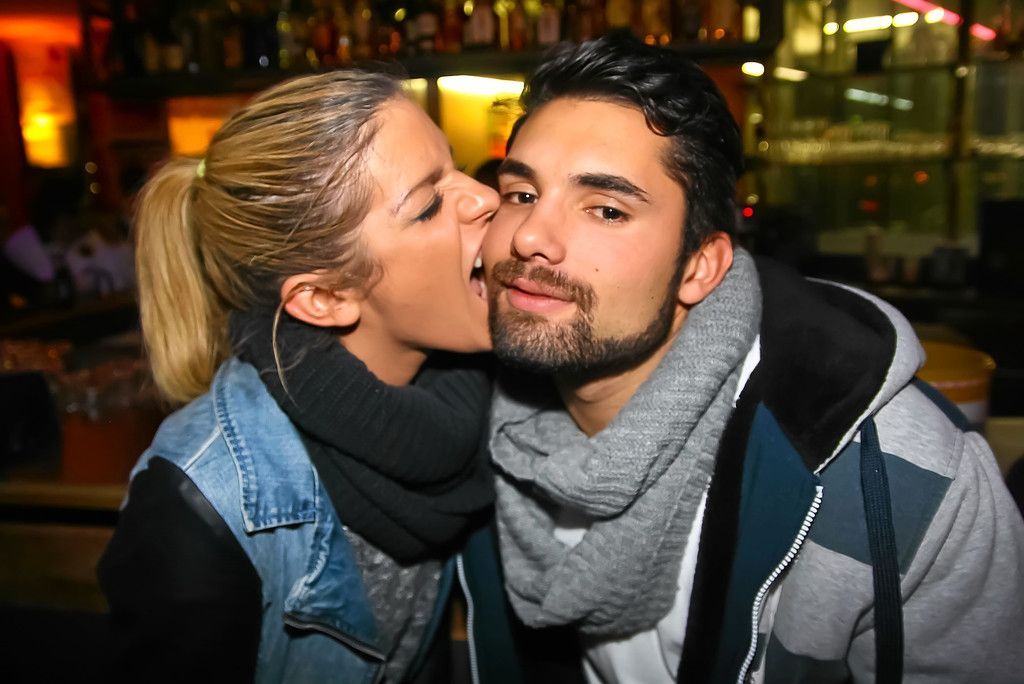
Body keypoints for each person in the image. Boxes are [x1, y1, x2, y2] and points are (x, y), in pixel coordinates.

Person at [481, 34, 1024, 683]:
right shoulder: (475, 419)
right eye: (521, 194)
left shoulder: (897, 479)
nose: (530, 236)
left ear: (699, 266)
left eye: (605, 209)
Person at [97, 70, 523, 682]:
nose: (485, 196)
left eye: (453, 165)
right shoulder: (200, 501)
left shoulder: (472, 405)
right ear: (324, 298)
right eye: (428, 205)